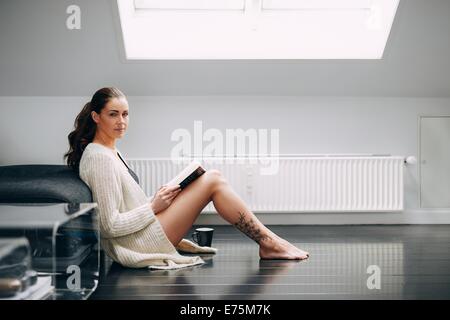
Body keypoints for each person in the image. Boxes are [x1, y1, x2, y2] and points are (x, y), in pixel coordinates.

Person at [64, 87, 309, 270]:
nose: (121, 122)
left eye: (125, 114)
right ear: (96, 117)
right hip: (136, 243)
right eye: (113, 114)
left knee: (212, 178)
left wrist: (161, 198)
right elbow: (109, 225)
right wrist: (153, 206)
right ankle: (270, 242)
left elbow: (127, 205)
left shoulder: (111, 151)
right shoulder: (98, 157)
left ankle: (270, 241)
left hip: (142, 230)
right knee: (213, 180)